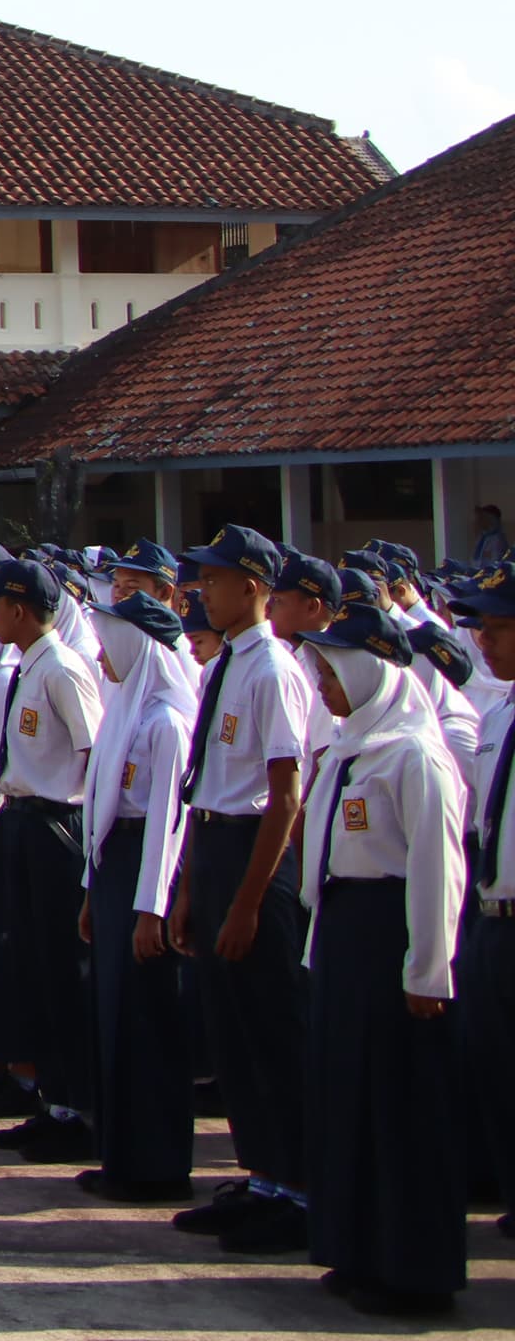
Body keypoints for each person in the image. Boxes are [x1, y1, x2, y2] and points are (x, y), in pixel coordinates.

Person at [296, 597, 470, 1315]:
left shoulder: (414, 754)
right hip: (345, 931)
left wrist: (428, 969)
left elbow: (437, 868)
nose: (325, 688)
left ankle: (411, 1270)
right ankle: (357, 1247)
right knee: (351, 1097)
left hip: (389, 936)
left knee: (400, 1107)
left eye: (335, 673)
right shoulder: (350, 745)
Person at [164, 528, 319, 1252]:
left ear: (253, 586)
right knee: (231, 1029)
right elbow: (205, 790)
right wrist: (194, 887)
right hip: (218, 844)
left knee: (270, 1027)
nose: (202, 593)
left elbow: (285, 794)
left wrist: (251, 902)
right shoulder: (225, 666)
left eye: (216, 582)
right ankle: (261, 1174)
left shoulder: (273, 671)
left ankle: (298, 1184)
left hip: (259, 855)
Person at [0, 553, 104, 1164]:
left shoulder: (62, 669)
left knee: (64, 973)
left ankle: (76, 1107)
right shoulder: (22, 669)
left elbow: (94, 758)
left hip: (58, 828)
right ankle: (51, 1100)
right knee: (34, 970)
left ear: (18, 609)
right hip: (21, 821)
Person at [76, 585, 196, 1203]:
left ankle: (156, 1165)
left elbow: (168, 826)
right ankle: (120, 1156)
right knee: (114, 1015)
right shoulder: (127, 709)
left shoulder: (167, 721)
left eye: (110, 646)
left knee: (146, 1021)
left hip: (146, 871)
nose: (101, 659)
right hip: (116, 865)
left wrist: (150, 905)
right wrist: (93, 889)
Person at [448, 557, 515, 1246]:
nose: (483, 640)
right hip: (494, 916)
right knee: (495, 1070)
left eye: (498, 627)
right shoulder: (497, 715)